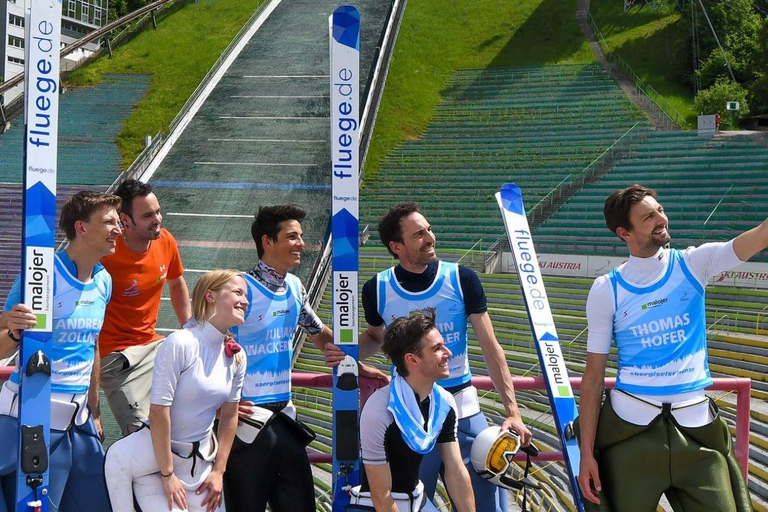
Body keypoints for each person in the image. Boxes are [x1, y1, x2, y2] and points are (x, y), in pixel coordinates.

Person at [577, 184, 760, 512]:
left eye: (660, 210)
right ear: (625, 232)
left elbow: (759, 237)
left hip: (697, 432)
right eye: (648, 217)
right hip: (631, 436)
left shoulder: (694, 263)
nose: (661, 218)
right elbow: (593, 377)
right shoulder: (607, 289)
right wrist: (586, 454)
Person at [359, 202, 531, 512]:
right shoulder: (377, 288)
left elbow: (491, 349)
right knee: (411, 504)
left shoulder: (461, 278)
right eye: (418, 234)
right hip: (408, 415)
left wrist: (513, 412)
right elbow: (375, 338)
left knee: (488, 506)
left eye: (429, 229)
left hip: (462, 408)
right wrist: (344, 353)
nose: (430, 238)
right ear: (396, 246)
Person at [223, 204, 386, 512]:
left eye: (301, 236)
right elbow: (205, 343)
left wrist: (355, 362)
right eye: (292, 236)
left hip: (285, 417)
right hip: (244, 421)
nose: (301, 243)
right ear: (267, 242)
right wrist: (219, 405)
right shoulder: (238, 288)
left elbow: (319, 333)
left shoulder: (295, 287)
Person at [0, 190, 122, 511]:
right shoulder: (42, 277)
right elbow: (3, 339)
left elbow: (91, 345)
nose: (119, 229)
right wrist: (13, 332)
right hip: (31, 418)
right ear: (81, 228)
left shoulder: (104, 281)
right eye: (109, 222)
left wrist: (94, 410)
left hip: (79, 422)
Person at [105, 269, 247, 512]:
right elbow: (159, 410)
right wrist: (167, 474)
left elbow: (230, 416)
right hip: (144, 464)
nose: (244, 300)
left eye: (245, 295)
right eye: (237, 292)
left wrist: (219, 472)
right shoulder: (181, 342)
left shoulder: (237, 356)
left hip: (198, 467)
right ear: (210, 296)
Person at [350, 309, 475, 512]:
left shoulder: (444, 402)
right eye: (437, 348)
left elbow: (456, 470)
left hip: (417, 500)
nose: (448, 354)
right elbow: (382, 496)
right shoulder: (379, 409)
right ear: (413, 359)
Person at [99, 179, 191, 435]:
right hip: (115, 355)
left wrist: (191, 327)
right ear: (125, 220)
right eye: (148, 215)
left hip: (153, 345)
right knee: (140, 433)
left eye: (158, 211)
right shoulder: (106, 253)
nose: (157, 219)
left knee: (191, 410)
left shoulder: (165, 241)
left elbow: (177, 283)